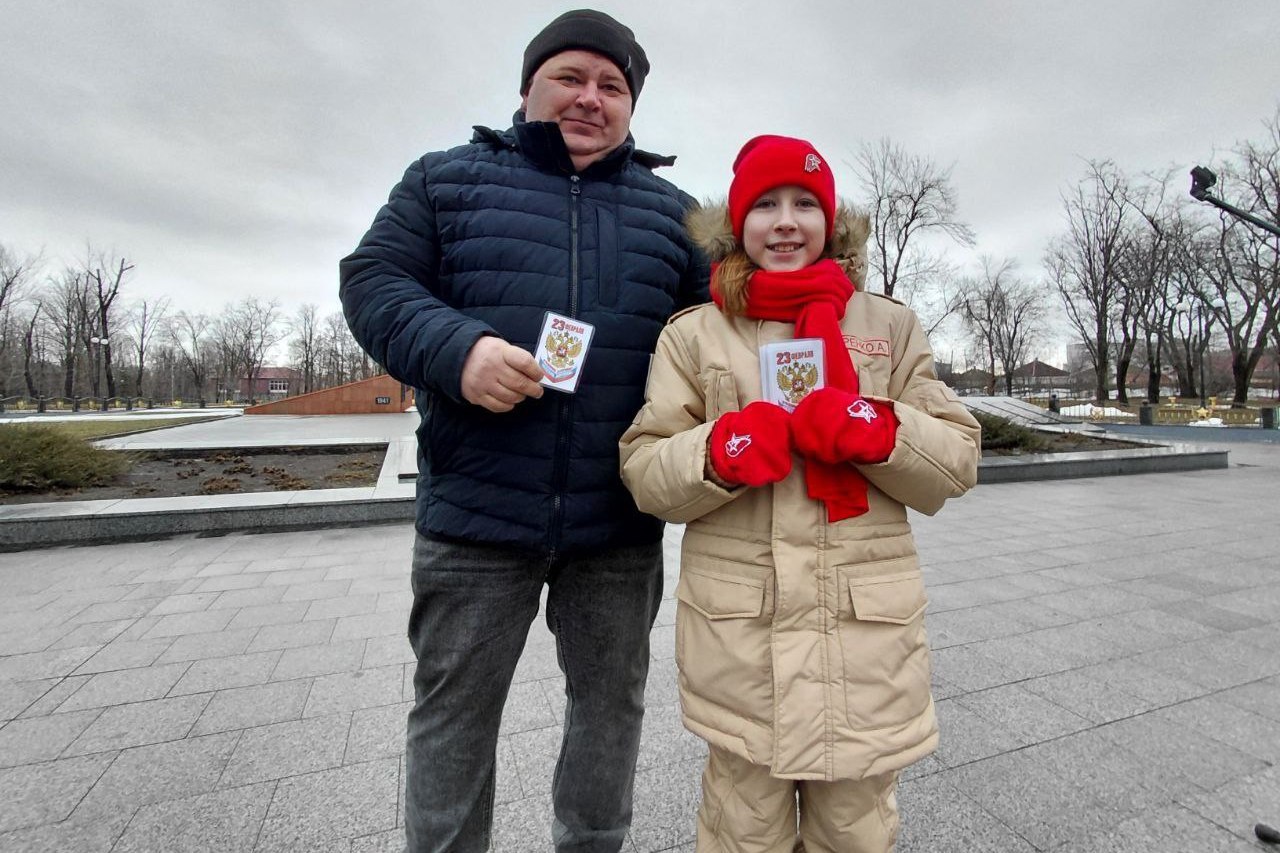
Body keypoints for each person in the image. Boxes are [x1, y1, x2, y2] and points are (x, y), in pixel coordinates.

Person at [339, 10, 707, 853]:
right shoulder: (445, 179)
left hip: (617, 523)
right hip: (476, 516)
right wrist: (456, 348)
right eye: (570, 77)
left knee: (610, 708)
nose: (590, 98)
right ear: (527, 88)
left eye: (612, 86)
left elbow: (729, 326)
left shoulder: (674, 216)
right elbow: (373, 280)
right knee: (454, 714)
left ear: (631, 106)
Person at [619, 135, 980, 852]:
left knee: (856, 832)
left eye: (805, 203)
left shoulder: (888, 325)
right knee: (740, 830)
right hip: (741, 647)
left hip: (863, 645)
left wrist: (877, 429)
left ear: (831, 221)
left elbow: (957, 458)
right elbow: (645, 468)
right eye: (766, 205)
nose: (786, 221)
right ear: (737, 224)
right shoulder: (694, 335)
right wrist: (720, 452)